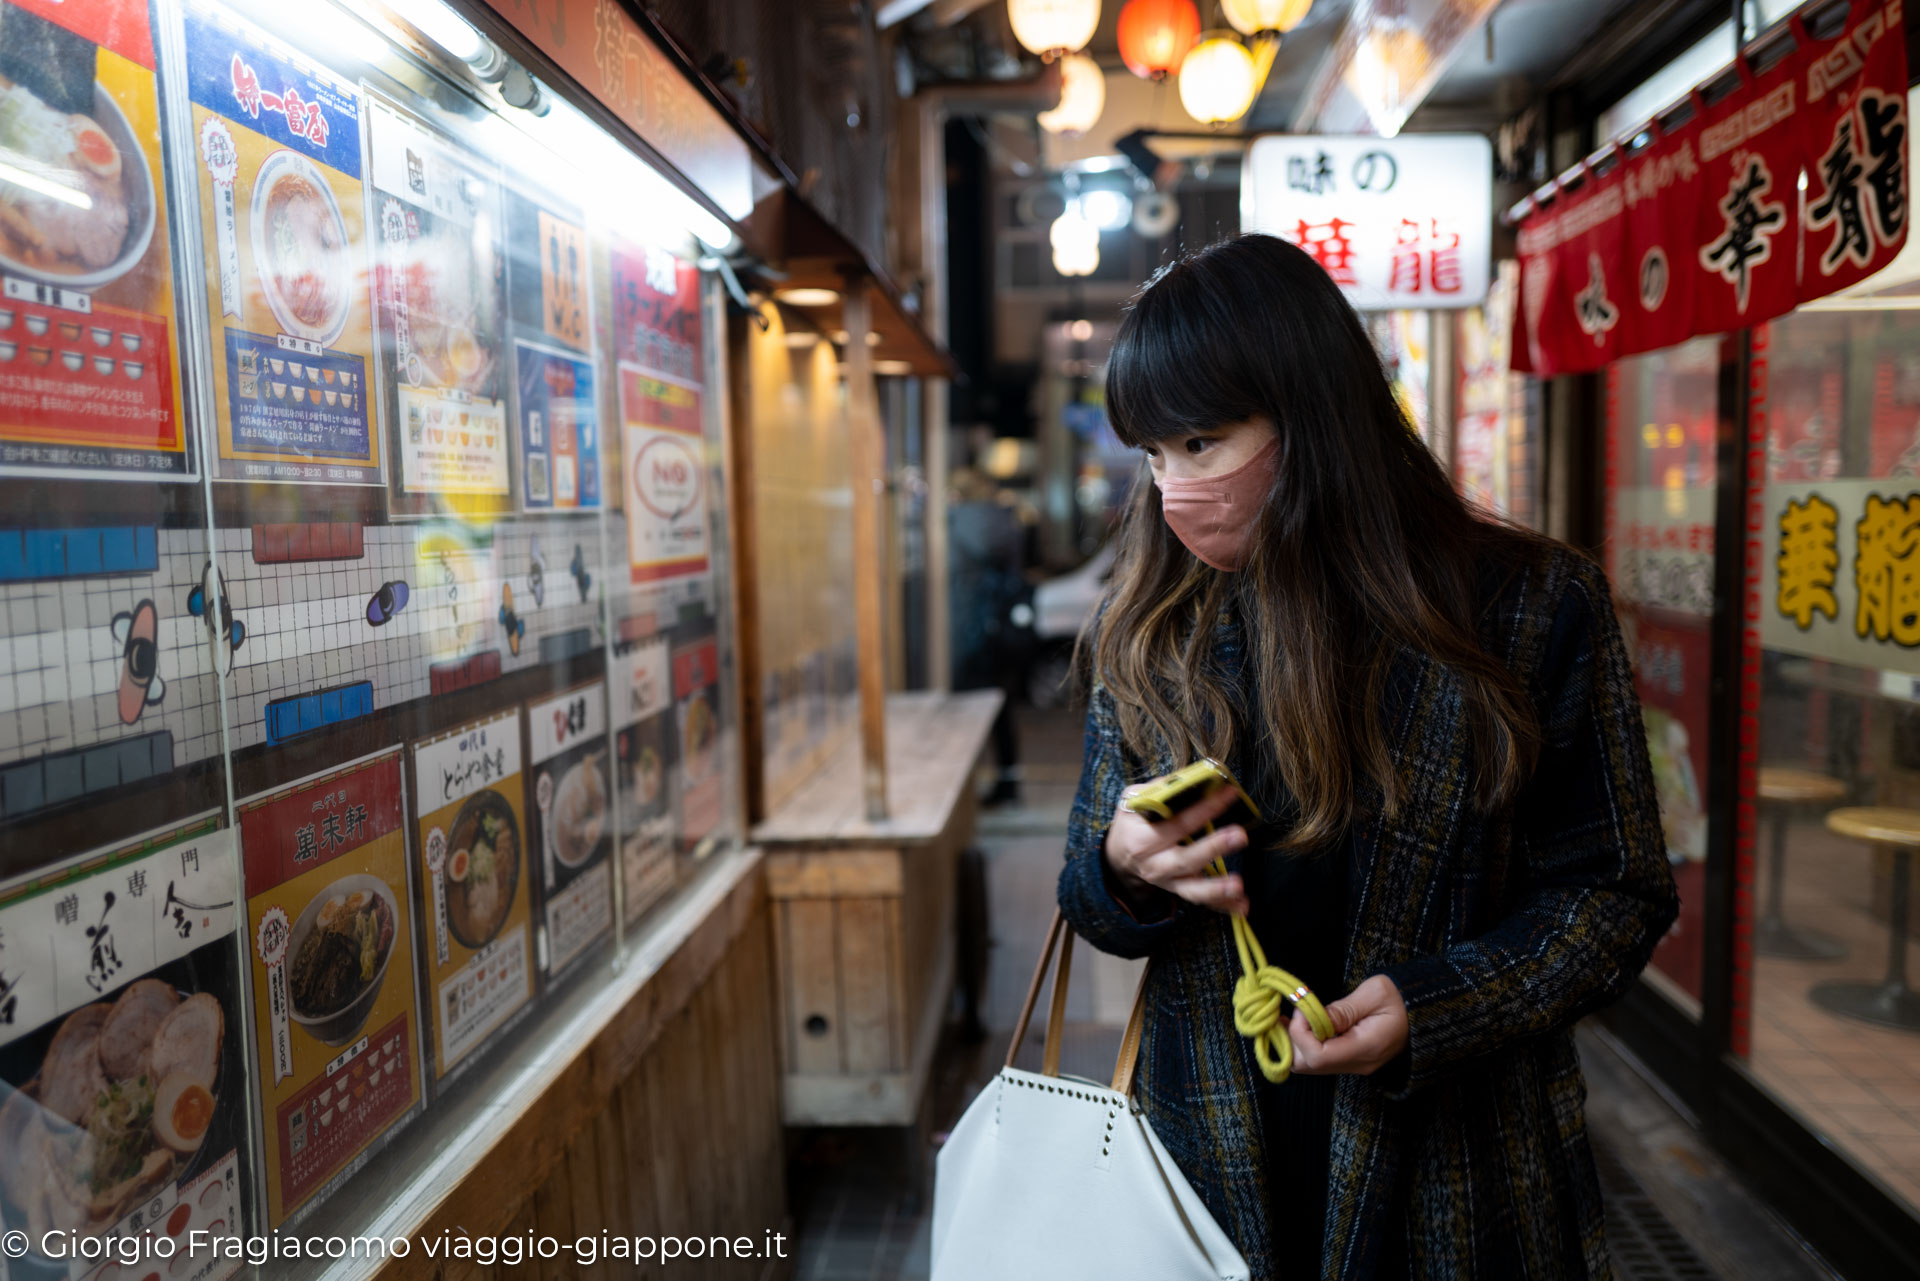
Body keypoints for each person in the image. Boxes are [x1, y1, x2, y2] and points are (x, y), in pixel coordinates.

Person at [1057, 234, 1677, 1281]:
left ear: (1312, 415)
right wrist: (1121, 867)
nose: (1174, 489)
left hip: (1460, 1174)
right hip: (1207, 1157)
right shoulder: (1153, 626)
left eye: (1203, 443)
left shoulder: (1529, 607)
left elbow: (1613, 894)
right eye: (1154, 456)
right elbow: (1091, 893)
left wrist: (1435, 1004)